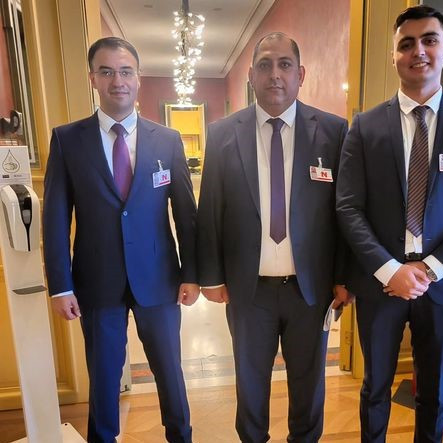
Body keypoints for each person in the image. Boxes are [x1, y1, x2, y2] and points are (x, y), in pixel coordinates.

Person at [336, 5, 443, 442]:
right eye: (406, 44)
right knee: (375, 388)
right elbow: (348, 208)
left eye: (429, 40)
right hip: (380, 283)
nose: (418, 51)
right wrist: (391, 270)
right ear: (394, 56)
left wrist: (428, 269)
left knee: (434, 392)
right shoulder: (365, 127)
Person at [42, 37, 199, 443]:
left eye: (126, 71)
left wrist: (192, 273)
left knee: (170, 372)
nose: (118, 81)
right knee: (104, 377)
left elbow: (185, 214)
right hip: (97, 281)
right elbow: (55, 218)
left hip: (159, 279)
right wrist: (60, 286)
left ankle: (181, 437)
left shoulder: (167, 140)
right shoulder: (67, 140)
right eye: (107, 71)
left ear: (138, 78)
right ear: (92, 78)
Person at [197, 32, 352, 442]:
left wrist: (344, 277)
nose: (275, 75)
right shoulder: (223, 134)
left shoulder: (333, 132)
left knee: (309, 384)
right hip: (249, 291)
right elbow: (210, 209)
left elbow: (345, 213)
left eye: (285, 65)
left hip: (311, 291)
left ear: (301, 74)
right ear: (251, 75)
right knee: (250, 384)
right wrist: (211, 276)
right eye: (264, 65)